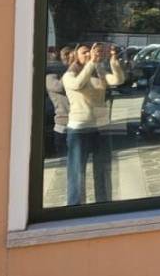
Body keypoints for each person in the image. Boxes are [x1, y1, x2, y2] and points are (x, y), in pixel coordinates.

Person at [62, 42, 125, 205]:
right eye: (84, 52)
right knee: (77, 172)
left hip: (101, 126)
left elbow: (118, 80)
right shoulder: (69, 76)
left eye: (90, 52)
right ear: (76, 56)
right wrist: (92, 62)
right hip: (79, 128)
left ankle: (103, 204)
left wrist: (113, 61)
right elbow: (78, 84)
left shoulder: (98, 72)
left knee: (103, 170)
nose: (88, 55)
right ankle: (75, 207)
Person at [44, 46, 73, 156]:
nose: (53, 54)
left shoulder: (67, 73)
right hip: (63, 121)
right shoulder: (50, 76)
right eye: (50, 51)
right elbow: (60, 87)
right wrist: (71, 69)